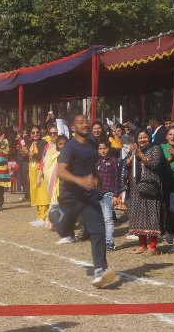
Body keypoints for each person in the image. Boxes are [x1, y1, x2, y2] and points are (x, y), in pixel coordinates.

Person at [54, 113, 116, 287]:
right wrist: (79, 180)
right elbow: (60, 172)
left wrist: (99, 184)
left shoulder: (92, 144)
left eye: (86, 121)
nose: (85, 124)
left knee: (98, 230)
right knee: (64, 229)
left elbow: (93, 168)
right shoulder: (70, 147)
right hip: (72, 197)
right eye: (80, 122)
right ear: (73, 128)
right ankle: (55, 215)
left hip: (90, 197)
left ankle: (100, 270)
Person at [24, 127, 49, 225]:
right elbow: (27, 158)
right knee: (34, 193)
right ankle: (39, 216)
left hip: (40, 171)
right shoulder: (30, 143)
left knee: (41, 194)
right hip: (32, 172)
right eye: (33, 132)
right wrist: (23, 153)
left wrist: (30, 153)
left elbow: (42, 157)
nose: (35, 134)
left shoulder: (44, 143)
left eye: (37, 132)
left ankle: (44, 217)